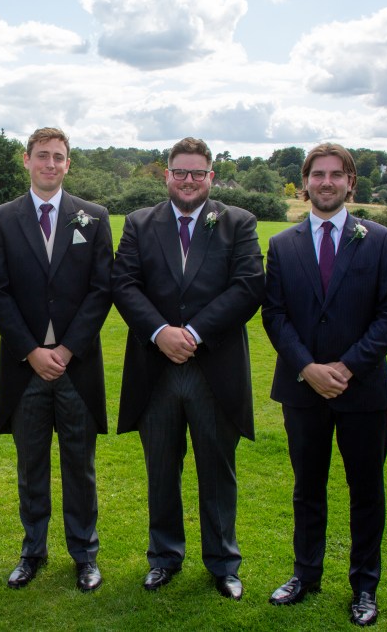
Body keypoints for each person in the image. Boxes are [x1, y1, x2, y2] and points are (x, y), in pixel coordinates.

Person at [112, 136, 264, 599]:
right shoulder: (140, 222)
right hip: (155, 369)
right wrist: (160, 332)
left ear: (211, 177)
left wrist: (194, 333)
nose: (188, 180)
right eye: (180, 171)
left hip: (213, 369)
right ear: (167, 175)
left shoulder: (238, 222)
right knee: (161, 469)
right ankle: (164, 558)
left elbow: (248, 286)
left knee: (217, 470)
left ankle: (223, 563)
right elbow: (124, 283)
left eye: (198, 172)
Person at [262, 143, 387, 627]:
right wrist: (308, 368)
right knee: (307, 488)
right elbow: (274, 315)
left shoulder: (379, 240)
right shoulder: (283, 245)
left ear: (350, 183)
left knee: (366, 491)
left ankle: (365, 586)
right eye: (318, 174)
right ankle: (305, 575)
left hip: (362, 391)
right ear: (305, 183)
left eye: (336, 175)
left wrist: (346, 367)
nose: (326, 182)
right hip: (302, 391)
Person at [0, 127, 113, 592]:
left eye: (58, 157)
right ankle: (32, 552)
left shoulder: (94, 217)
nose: (50, 164)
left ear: (68, 164)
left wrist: (67, 348)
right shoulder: (1, 219)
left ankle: (85, 554)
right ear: (27, 160)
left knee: (80, 467)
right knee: (31, 467)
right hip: (26, 369)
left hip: (77, 366)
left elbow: (101, 289)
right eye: (42, 156)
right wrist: (32, 351)